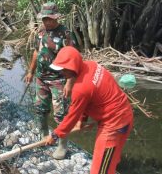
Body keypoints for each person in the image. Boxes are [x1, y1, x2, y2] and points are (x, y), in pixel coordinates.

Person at [45, 46, 134, 174]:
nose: (62, 73)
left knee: (100, 170)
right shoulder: (91, 65)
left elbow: (71, 117)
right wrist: (82, 121)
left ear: (72, 67)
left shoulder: (80, 89)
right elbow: (88, 102)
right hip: (125, 115)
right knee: (112, 160)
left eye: (64, 69)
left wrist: (55, 135)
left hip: (113, 125)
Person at [25, 2, 77, 159]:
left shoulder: (65, 34)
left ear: (56, 17)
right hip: (41, 78)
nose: (47, 22)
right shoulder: (41, 32)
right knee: (40, 108)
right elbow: (36, 52)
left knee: (61, 114)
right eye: (44, 18)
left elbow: (72, 59)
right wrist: (31, 71)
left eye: (49, 18)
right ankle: (44, 135)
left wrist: (69, 82)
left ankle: (62, 145)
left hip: (58, 80)